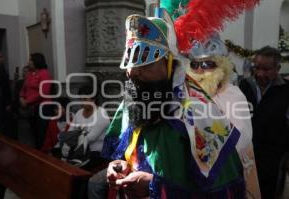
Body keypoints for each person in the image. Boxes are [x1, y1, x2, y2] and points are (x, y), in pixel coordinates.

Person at [101, 13, 246, 199]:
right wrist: (118, 165)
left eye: (146, 62)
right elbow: (124, 150)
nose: (133, 72)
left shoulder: (198, 111)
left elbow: (222, 191)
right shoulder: (134, 99)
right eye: (131, 60)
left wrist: (155, 186)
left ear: (169, 65)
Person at [186, 35, 260, 198]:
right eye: (194, 64)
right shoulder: (187, 94)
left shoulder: (233, 94)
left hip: (228, 173)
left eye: (207, 64)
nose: (200, 70)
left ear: (222, 66)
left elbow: (242, 139)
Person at [239, 46, 289, 199]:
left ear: (278, 68)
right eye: (257, 68)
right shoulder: (244, 85)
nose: (260, 73)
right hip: (245, 153)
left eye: (266, 69)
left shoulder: (286, 90)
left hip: (273, 156)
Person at [61, 85, 110, 169]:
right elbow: (70, 132)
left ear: (93, 99)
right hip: (78, 149)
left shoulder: (101, 114)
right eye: (81, 99)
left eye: (85, 99)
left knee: (74, 166)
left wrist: (74, 137)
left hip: (96, 152)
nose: (82, 102)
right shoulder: (79, 113)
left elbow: (91, 138)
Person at [20, 53, 52, 149]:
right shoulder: (30, 74)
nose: (28, 62)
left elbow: (44, 92)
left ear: (36, 61)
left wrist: (27, 101)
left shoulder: (45, 74)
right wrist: (21, 97)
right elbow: (23, 88)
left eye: (30, 60)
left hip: (43, 107)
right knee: (33, 132)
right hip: (32, 108)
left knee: (41, 133)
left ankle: (41, 155)